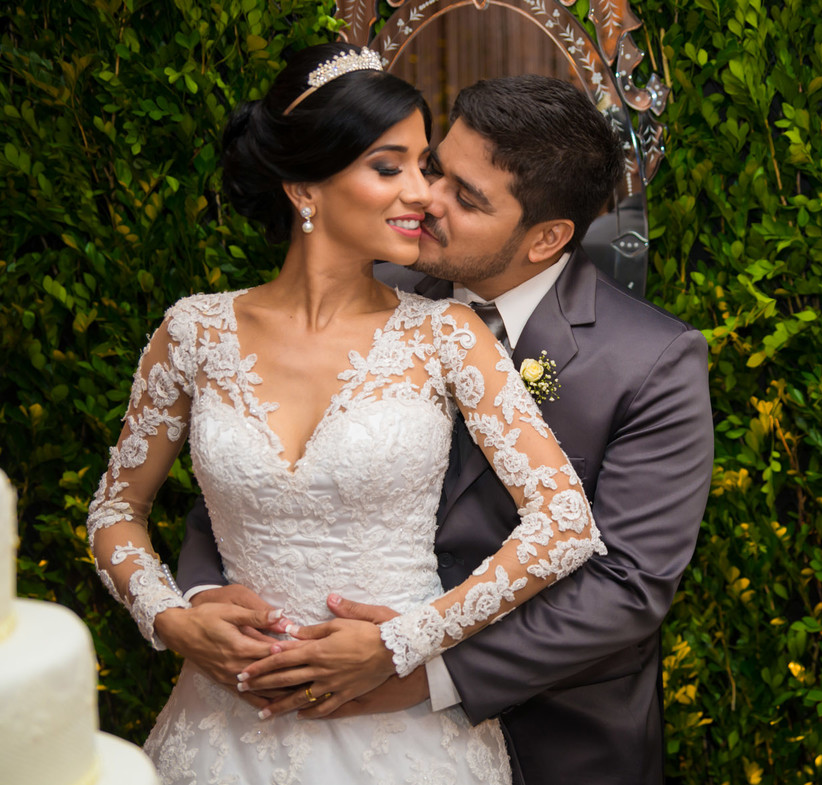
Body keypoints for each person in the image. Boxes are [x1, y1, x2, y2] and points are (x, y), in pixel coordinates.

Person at [86, 43, 607, 785]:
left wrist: (405, 642)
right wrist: (172, 618)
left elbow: (563, 522)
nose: (424, 195)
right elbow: (116, 509)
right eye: (389, 168)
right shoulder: (194, 333)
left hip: (404, 739)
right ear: (305, 187)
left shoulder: (446, 335)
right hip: (220, 723)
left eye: (425, 166)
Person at [175, 74, 715, 784]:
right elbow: (261, 470)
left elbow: (626, 585)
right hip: (301, 712)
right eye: (435, 168)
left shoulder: (652, 363)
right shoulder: (372, 289)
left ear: (546, 238)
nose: (426, 199)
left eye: (466, 197)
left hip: (555, 735)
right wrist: (200, 595)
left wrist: (418, 672)